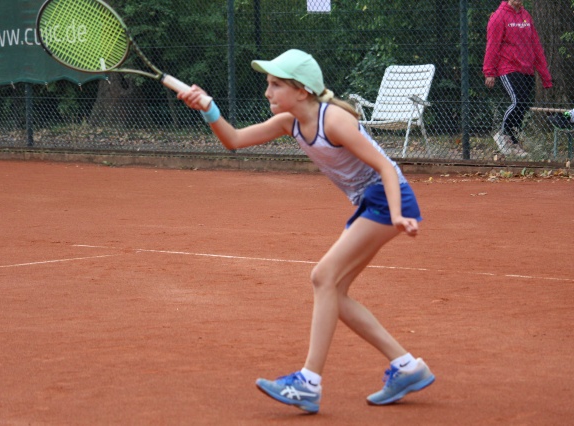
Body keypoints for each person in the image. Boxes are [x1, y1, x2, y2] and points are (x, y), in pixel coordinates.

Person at [178, 49, 434, 414]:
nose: (267, 91)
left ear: (302, 91)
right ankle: (407, 367)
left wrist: (396, 214)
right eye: (268, 84)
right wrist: (208, 108)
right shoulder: (289, 122)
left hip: (387, 198)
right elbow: (233, 139)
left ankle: (308, 383)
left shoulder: (335, 121)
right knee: (335, 293)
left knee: (322, 277)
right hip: (370, 203)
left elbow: (385, 167)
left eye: (276, 84)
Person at [483, 0, 552, 158]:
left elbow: (536, 46)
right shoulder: (498, 17)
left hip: (526, 69)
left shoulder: (526, 16)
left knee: (523, 105)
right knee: (518, 101)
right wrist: (489, 71)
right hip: (507, 68)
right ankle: (503, 134)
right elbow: (492, 45)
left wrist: (545, 76)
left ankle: (513, 143)